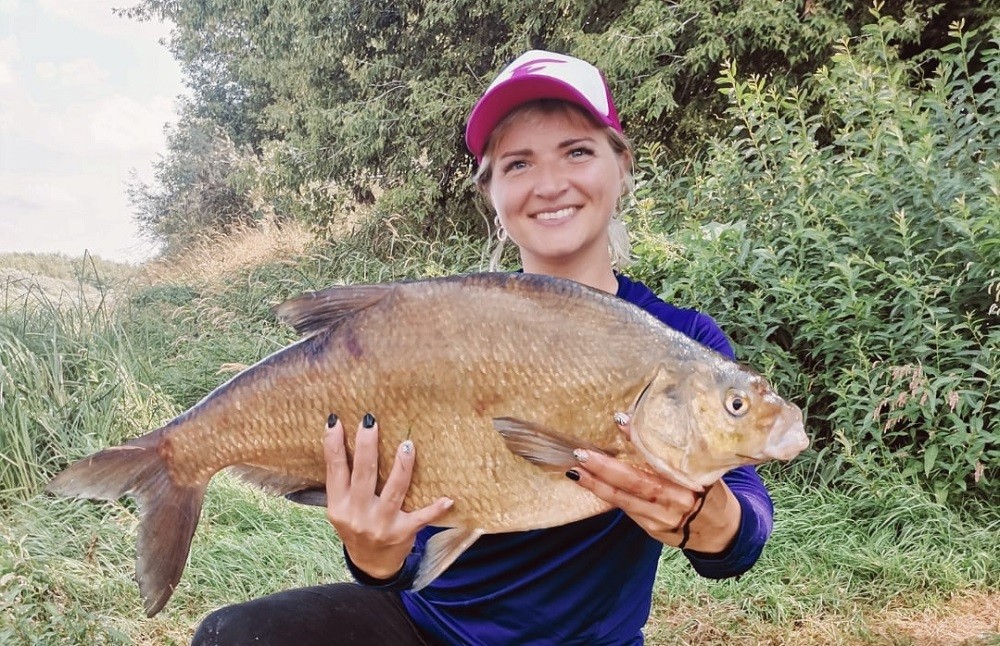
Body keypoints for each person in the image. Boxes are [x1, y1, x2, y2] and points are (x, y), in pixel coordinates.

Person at [192, 50, 774, 645]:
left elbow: (745, 524)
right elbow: (408, 565)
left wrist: (715, 521)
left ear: (621, 166)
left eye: (577, 151)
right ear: (490, 193)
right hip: (427, 627)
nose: (550, 185)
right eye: (518, 163)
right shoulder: (452, 326)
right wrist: (374, 556)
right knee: (234, 637)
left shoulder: (679, 345)